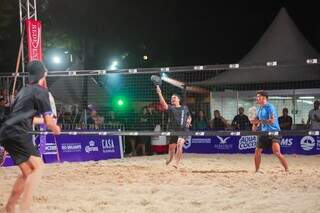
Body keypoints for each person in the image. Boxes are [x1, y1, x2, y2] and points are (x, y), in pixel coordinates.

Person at [0, 61, 61, 212]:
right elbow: (48, 122)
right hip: (17, 133)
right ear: (44, 73)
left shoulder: (23, 91)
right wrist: (55, 127)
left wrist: (50, 123)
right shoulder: (42, 91)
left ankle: (10, 206)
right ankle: (24, 209)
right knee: (38, 167)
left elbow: (29, 118)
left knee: (27, 172)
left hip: (5, 132)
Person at [251, 90, 288, 172]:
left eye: (258, 96)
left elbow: (272, 121)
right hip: (264, 132)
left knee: (277, 152)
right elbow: (256, 121)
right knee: (257, 151)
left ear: (264, 98)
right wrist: (254, 125)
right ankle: (256, 171)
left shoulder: (270, 107)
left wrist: (258, 122)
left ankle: (287, 169)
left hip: (274, 132)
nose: (257, 98)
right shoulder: (259, 109)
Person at [156, 85, 191, 169]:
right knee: (171, 148)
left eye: (174, 97)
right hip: (173, 130)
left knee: (179, 144)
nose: (172, 99)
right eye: (171, 98)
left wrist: (189, 120)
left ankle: (176, 163)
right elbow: (163, 104)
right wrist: (159, 93)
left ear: (179, 99)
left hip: (183, 130)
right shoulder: (171, 108)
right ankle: (170, 159)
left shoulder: (185, 108)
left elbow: (189, 116)